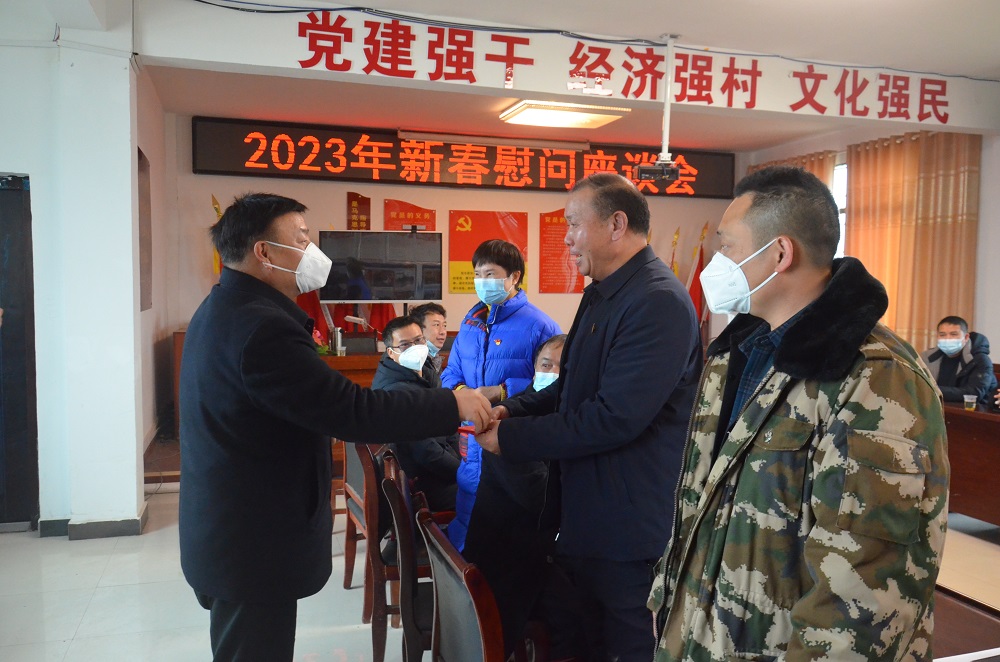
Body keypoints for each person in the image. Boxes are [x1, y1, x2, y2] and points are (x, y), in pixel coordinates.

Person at [646, 166, 950, 661]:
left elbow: (865, 590)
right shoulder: (740, 354)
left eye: (727, 247)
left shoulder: (873, 377)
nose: (717, 264)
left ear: (780, 254)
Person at [178, 193, 491, 662]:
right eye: (302, 239)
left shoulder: (225, 306)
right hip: (251, 540)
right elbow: (353, 411)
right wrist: (452, 403)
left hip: (232, 528)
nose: (313, 252)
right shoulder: (261, 327)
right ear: (264, 252)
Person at [477, 173, 703, 662]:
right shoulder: (604, 291)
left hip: (627, 526)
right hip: (587, 515)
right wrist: (512, 408)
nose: (566, 239)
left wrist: (511, 438)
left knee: (626, 646)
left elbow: (613, 416)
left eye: (573, 224)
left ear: (616, 224)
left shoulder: (657, 301)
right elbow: (573, 384)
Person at [462, 333, 566, 656]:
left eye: (562, 368)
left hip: (517, 557)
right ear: (534, 368)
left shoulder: (557, 412)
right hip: (509, 574)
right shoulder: (510, 420)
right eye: (546, 364)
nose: (552, 373)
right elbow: (540, 499)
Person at [441, 239, 561, 404]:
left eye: (490, 274)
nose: (482, 280)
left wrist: (502, 391)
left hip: (516, 417)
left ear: (515, 277)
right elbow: (451, 372)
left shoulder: (541, 326)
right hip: (471, 417)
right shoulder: (470, 323)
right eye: (477, 274)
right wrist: (465, 392)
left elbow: (554, 383)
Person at [372, 315, 460, 511]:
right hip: (422, 485)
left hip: (437, 470)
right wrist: (462, 472)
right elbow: (426, 452)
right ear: (391, 352)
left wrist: (461, 461)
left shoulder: (424, 373)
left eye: (418, 340)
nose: (414, 348)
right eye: (405, 345)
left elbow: (448, 423)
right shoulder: (396, 392)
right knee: (492, 494)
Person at [921, 315, 998, 406]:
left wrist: (932, 390)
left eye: (953, 334)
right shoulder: (927, 358)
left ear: (966, 337)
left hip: (974, 411)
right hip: (937, 407)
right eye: (942, 335)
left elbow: (973, 393)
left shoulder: (980, 360)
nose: (947, 339)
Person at [409, 301, 448, 374]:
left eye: (444, 325)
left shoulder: (434, 357)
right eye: (436, 325)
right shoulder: (413, 360)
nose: (443, 332)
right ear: (418, 329)